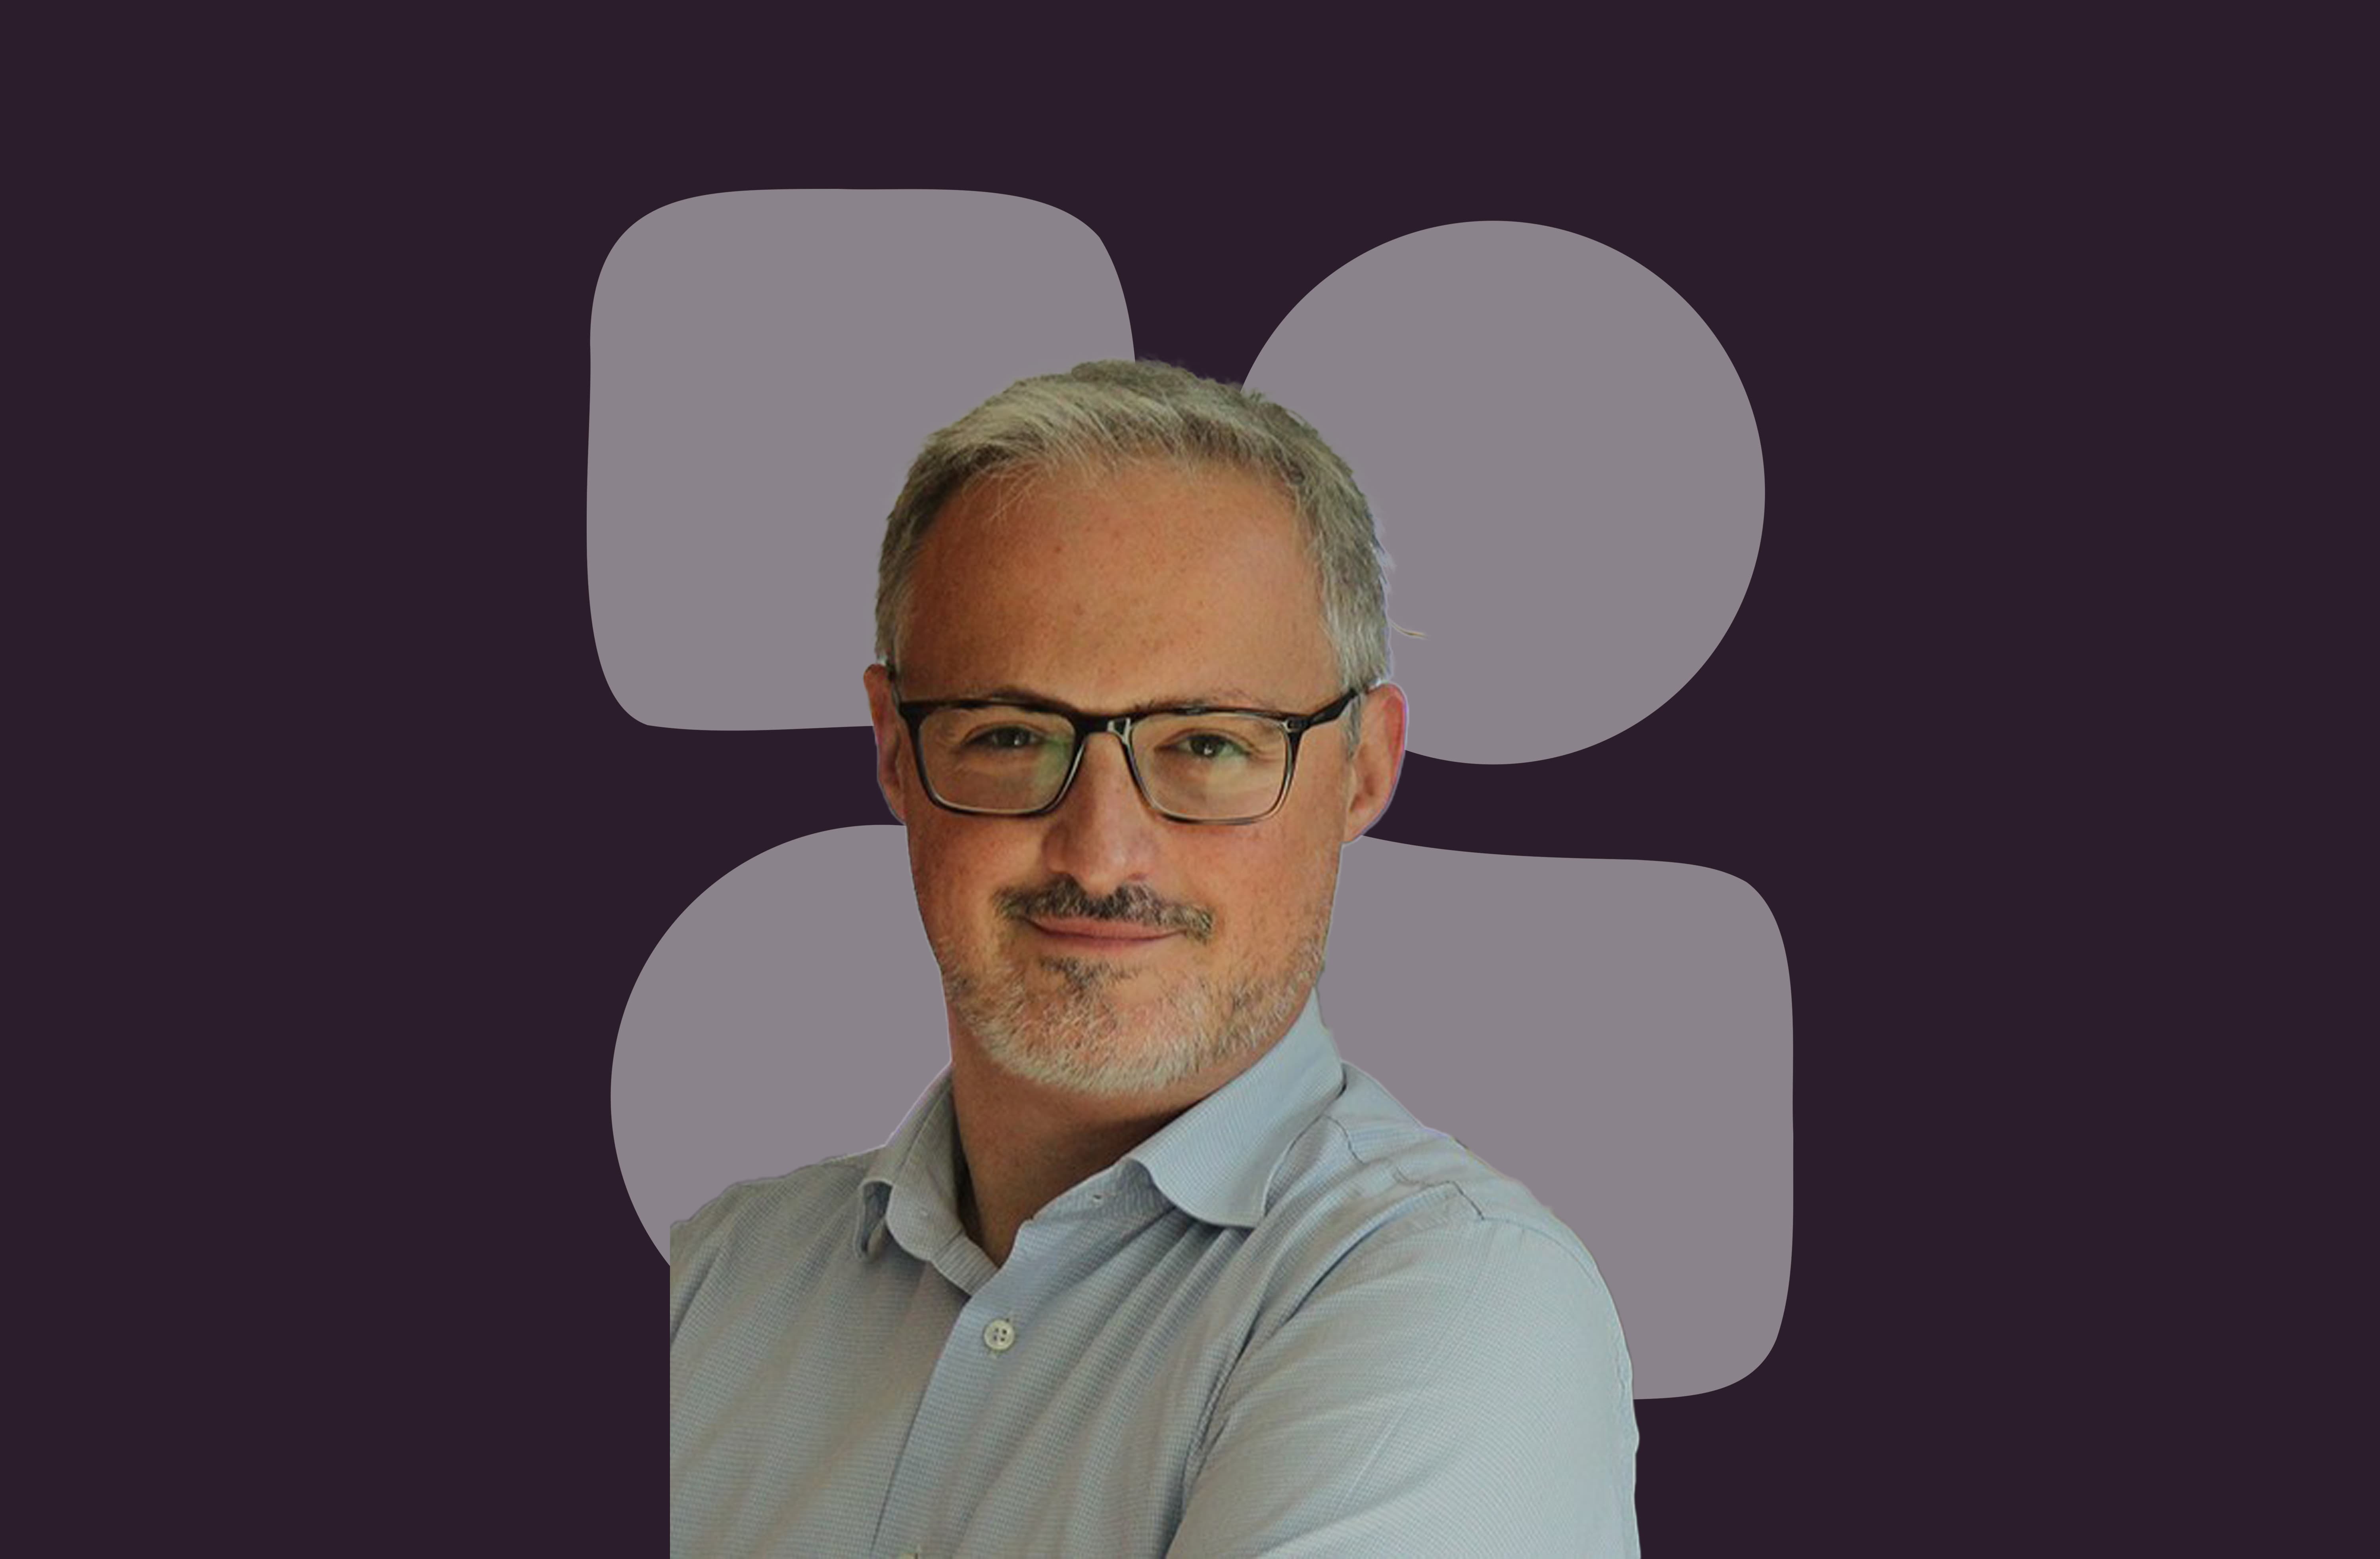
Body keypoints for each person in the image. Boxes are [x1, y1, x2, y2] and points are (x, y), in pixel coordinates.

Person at [668, 360, 1639, 1556]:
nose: (1102, 845)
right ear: (891, 749)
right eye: (1012, 734)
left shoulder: (1464, 1303)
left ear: (1366, 769)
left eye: (1209, 744)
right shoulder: (716, 1280)